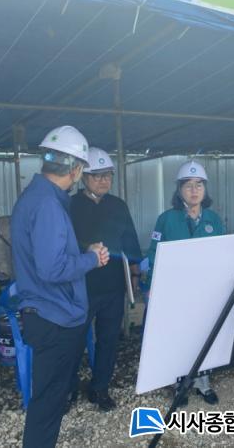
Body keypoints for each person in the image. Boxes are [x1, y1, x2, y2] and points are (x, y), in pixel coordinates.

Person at [11, 125, 110, 448]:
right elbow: (52, 268)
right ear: (77, 169)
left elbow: (48, 252)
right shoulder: (48, 205)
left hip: (45, 312)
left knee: (48, 398)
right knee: (49, 402)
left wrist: (82, 252)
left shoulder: (37, 197)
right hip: (54, 316)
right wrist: (92, 259)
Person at [69, 147, 142, 411]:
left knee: (109, 339)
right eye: (97, 175)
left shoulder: (118, 205)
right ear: (84, 177)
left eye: (108, 175)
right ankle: (68, 389)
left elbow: (130, 242)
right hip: (80, 286)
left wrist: (134, 273)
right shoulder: (71, 206)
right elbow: (63, 245)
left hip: (113, 285)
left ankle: (100, 388)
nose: (104, 181)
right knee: (74, 340)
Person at [147, 160, 224, 405]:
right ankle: (179, 384)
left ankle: (203, 383)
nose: (194, 190)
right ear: (179, 190)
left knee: (203, 336)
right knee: (178, 337)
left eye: (199, 185)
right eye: (188, 185)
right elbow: (154, 253)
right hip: (175, 291)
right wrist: (151, 286)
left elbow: (224, 254)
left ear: (205, 189)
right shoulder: (166, 219)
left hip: (205, 291)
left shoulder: (214, 220)